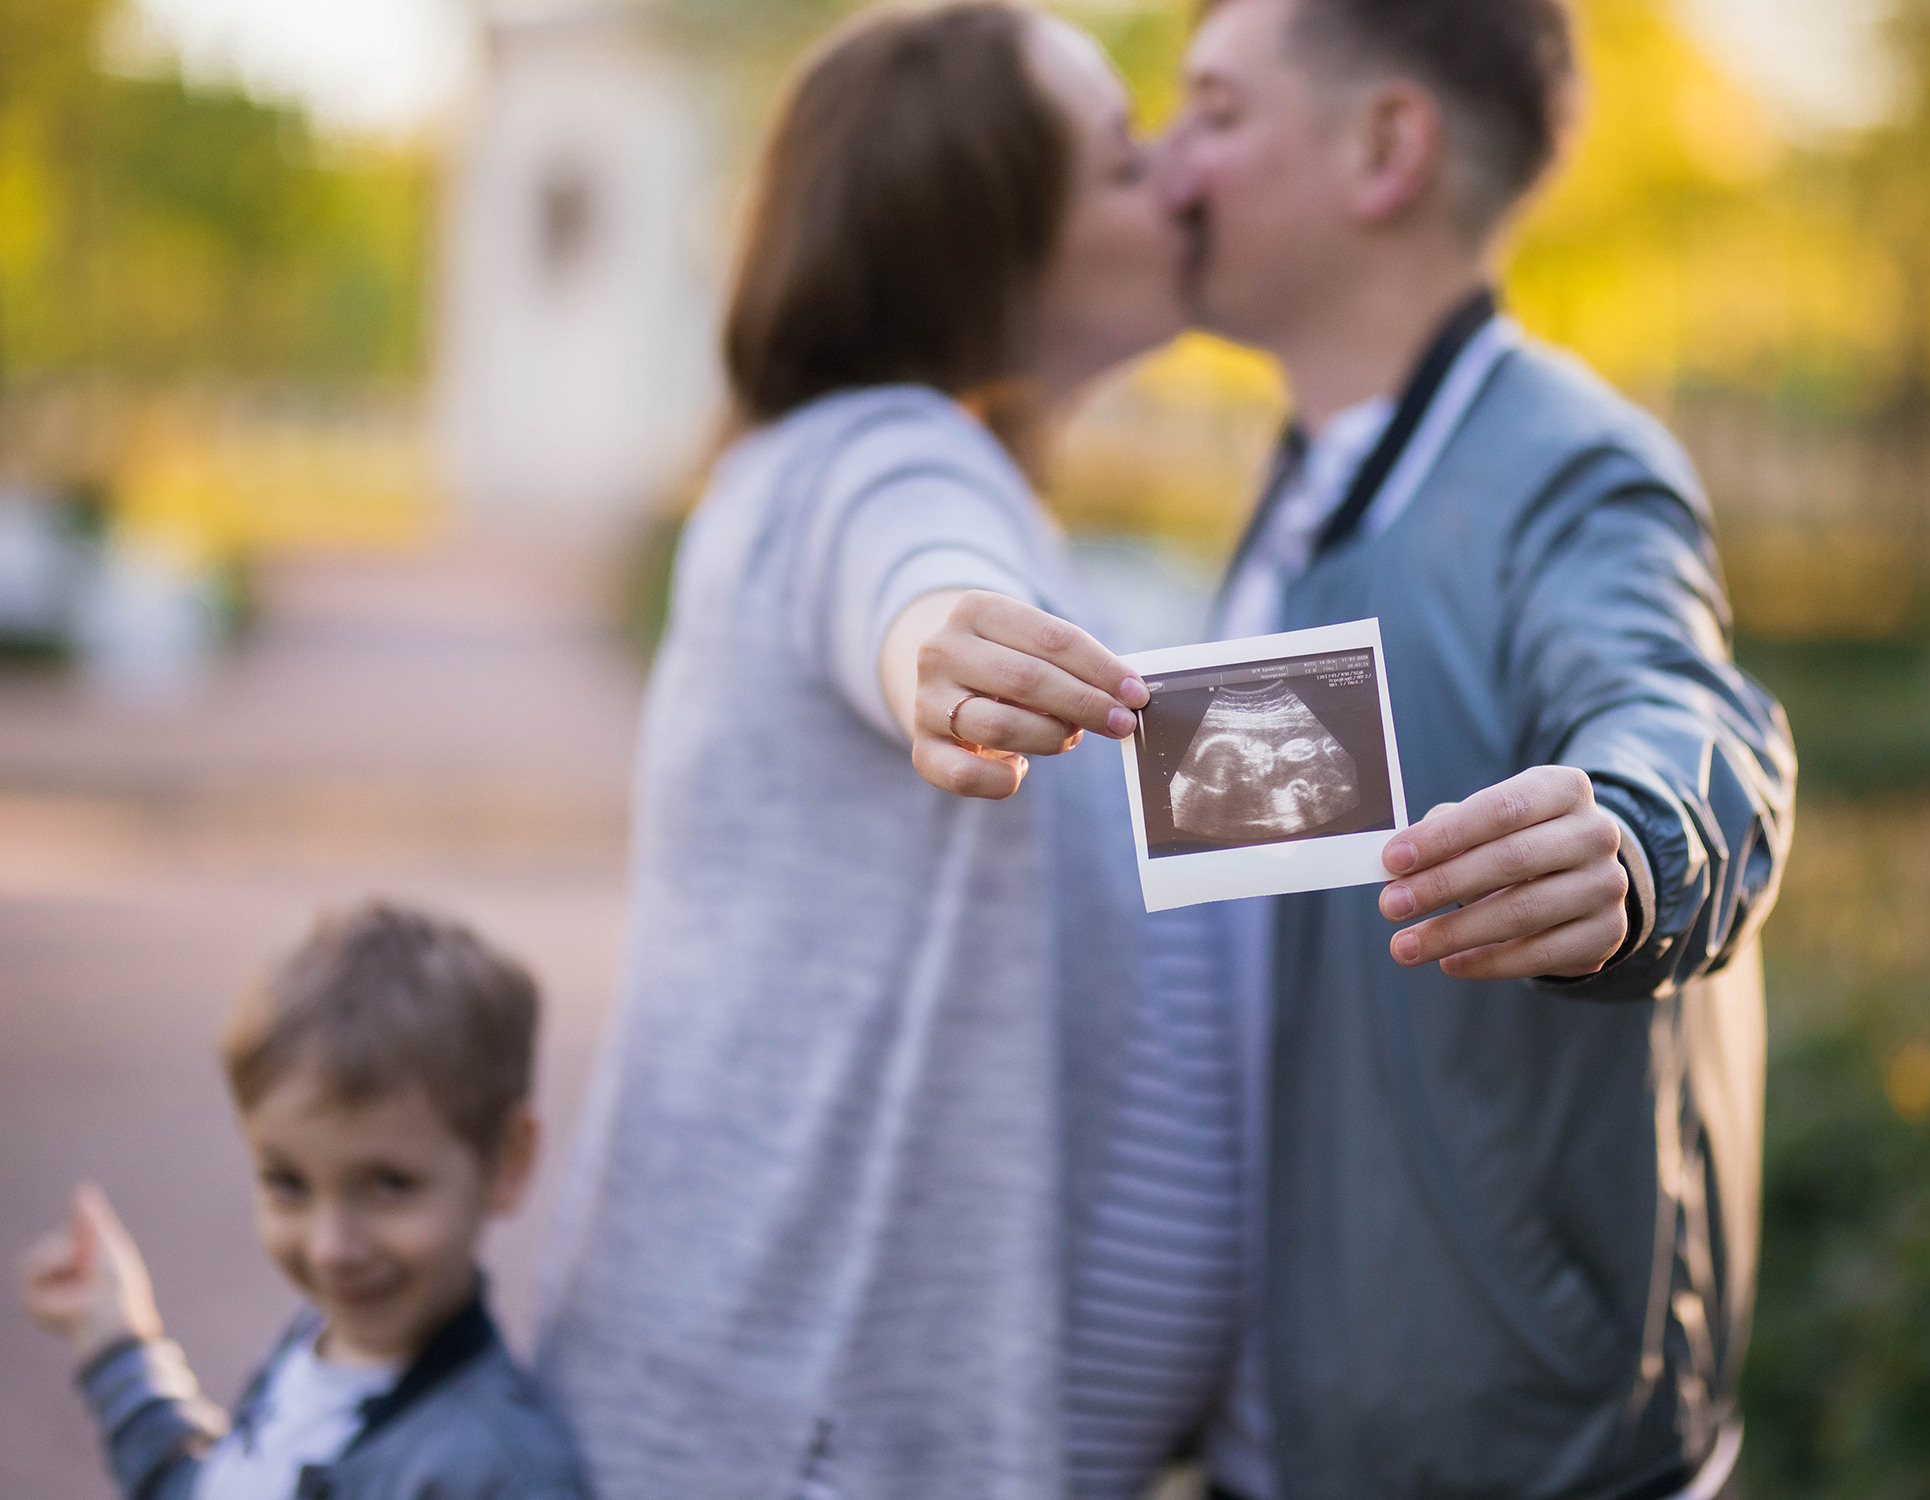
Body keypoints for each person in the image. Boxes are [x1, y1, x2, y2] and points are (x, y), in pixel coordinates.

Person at [912, 0, 1798, 1495]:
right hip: (1287, 1442)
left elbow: (1683, 706)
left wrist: (1641, 843)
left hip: (1516, 1461)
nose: (1166, 167)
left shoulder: (1567, 467)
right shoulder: (1311, 483)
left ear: (1383, 147)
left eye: (1213, 112)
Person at [530, 6, 1209, 1498]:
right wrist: (941, 640)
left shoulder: (930, 484)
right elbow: (905, 562)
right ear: (982, 241)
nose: (1172, 179)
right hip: (785, 1441)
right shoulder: (863, 460)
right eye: (1117, 161)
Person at [14, 902, 588, 1500]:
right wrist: (115, 1336)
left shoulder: (496, 1473)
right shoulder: (312, 1348)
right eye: (288, 1184)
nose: (331, 1247)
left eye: (391, 1184)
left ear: (507, 1161)